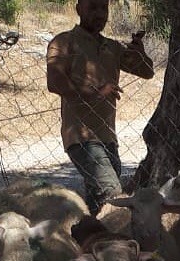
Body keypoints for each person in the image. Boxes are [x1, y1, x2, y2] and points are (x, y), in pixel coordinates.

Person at [46, 0, 154, 215]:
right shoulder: (64, 42)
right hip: (81, 137)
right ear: (78, 9)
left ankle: (92, 241)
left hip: (108, 138)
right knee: (112, 194)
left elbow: (147, 71)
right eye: (92, 7)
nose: (99, 13)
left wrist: (139, 52)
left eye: (103, 8)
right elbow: (55, 82)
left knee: (98, 204)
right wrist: (95, 92)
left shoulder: (111, 47)